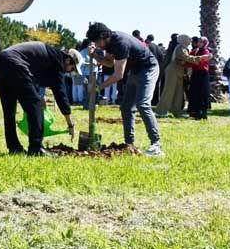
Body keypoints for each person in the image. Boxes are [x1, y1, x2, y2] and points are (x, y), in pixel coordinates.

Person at [86, 22, 163, 156]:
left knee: (142, 104)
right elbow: (109, 63)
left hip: (148, 68)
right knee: (126, 107)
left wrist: (98, 88)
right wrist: (95, 56)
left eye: (98, 42)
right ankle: (129, 143)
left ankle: (156, 144)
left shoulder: (121, 43)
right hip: (135, 70)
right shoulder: (109, 43)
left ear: (104, 36)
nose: (97, 45)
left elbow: (118, 75)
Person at [0, 42, 80, 156]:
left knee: (9, 109)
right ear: (68, 60)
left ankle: (14, 147)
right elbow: (60, 93)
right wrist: (70, 124)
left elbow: (34, 75)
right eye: (72, 68)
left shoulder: (50, 55)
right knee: (36, 106)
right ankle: (36, 148)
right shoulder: (57, 60)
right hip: (14, 62)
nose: (69, 71)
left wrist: (39, 95)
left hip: (1, 60)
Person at [156, 34, 208, 117]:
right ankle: (161, 111)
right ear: (184, 39)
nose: (190, 41)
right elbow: (186, 57)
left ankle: (177, 111)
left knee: (178, 93)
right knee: (169, 91)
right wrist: (201, 58)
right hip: (173, 71)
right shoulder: (181, 48)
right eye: (188, 39)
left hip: (178, 72)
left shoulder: (183, 47)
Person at [187, 36, 212, 120]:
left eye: (201, 42)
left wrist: (195, 60)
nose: (200, 43)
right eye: (199, 42)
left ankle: (203, 113)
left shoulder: (206, 51)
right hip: (195, 74)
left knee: (203, 93)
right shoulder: (195, 50)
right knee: (194, 93)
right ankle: (195, 112)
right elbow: (189, 60)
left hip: (203, 74)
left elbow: (201, 63)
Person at [145, 34, 165, 106]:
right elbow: (162, 57)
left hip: (150, 68)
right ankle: (155, 101)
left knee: (148, 85)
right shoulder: (157, 47)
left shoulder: (147, 46)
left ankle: (149, 100)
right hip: (158, 67)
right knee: (156, 85)